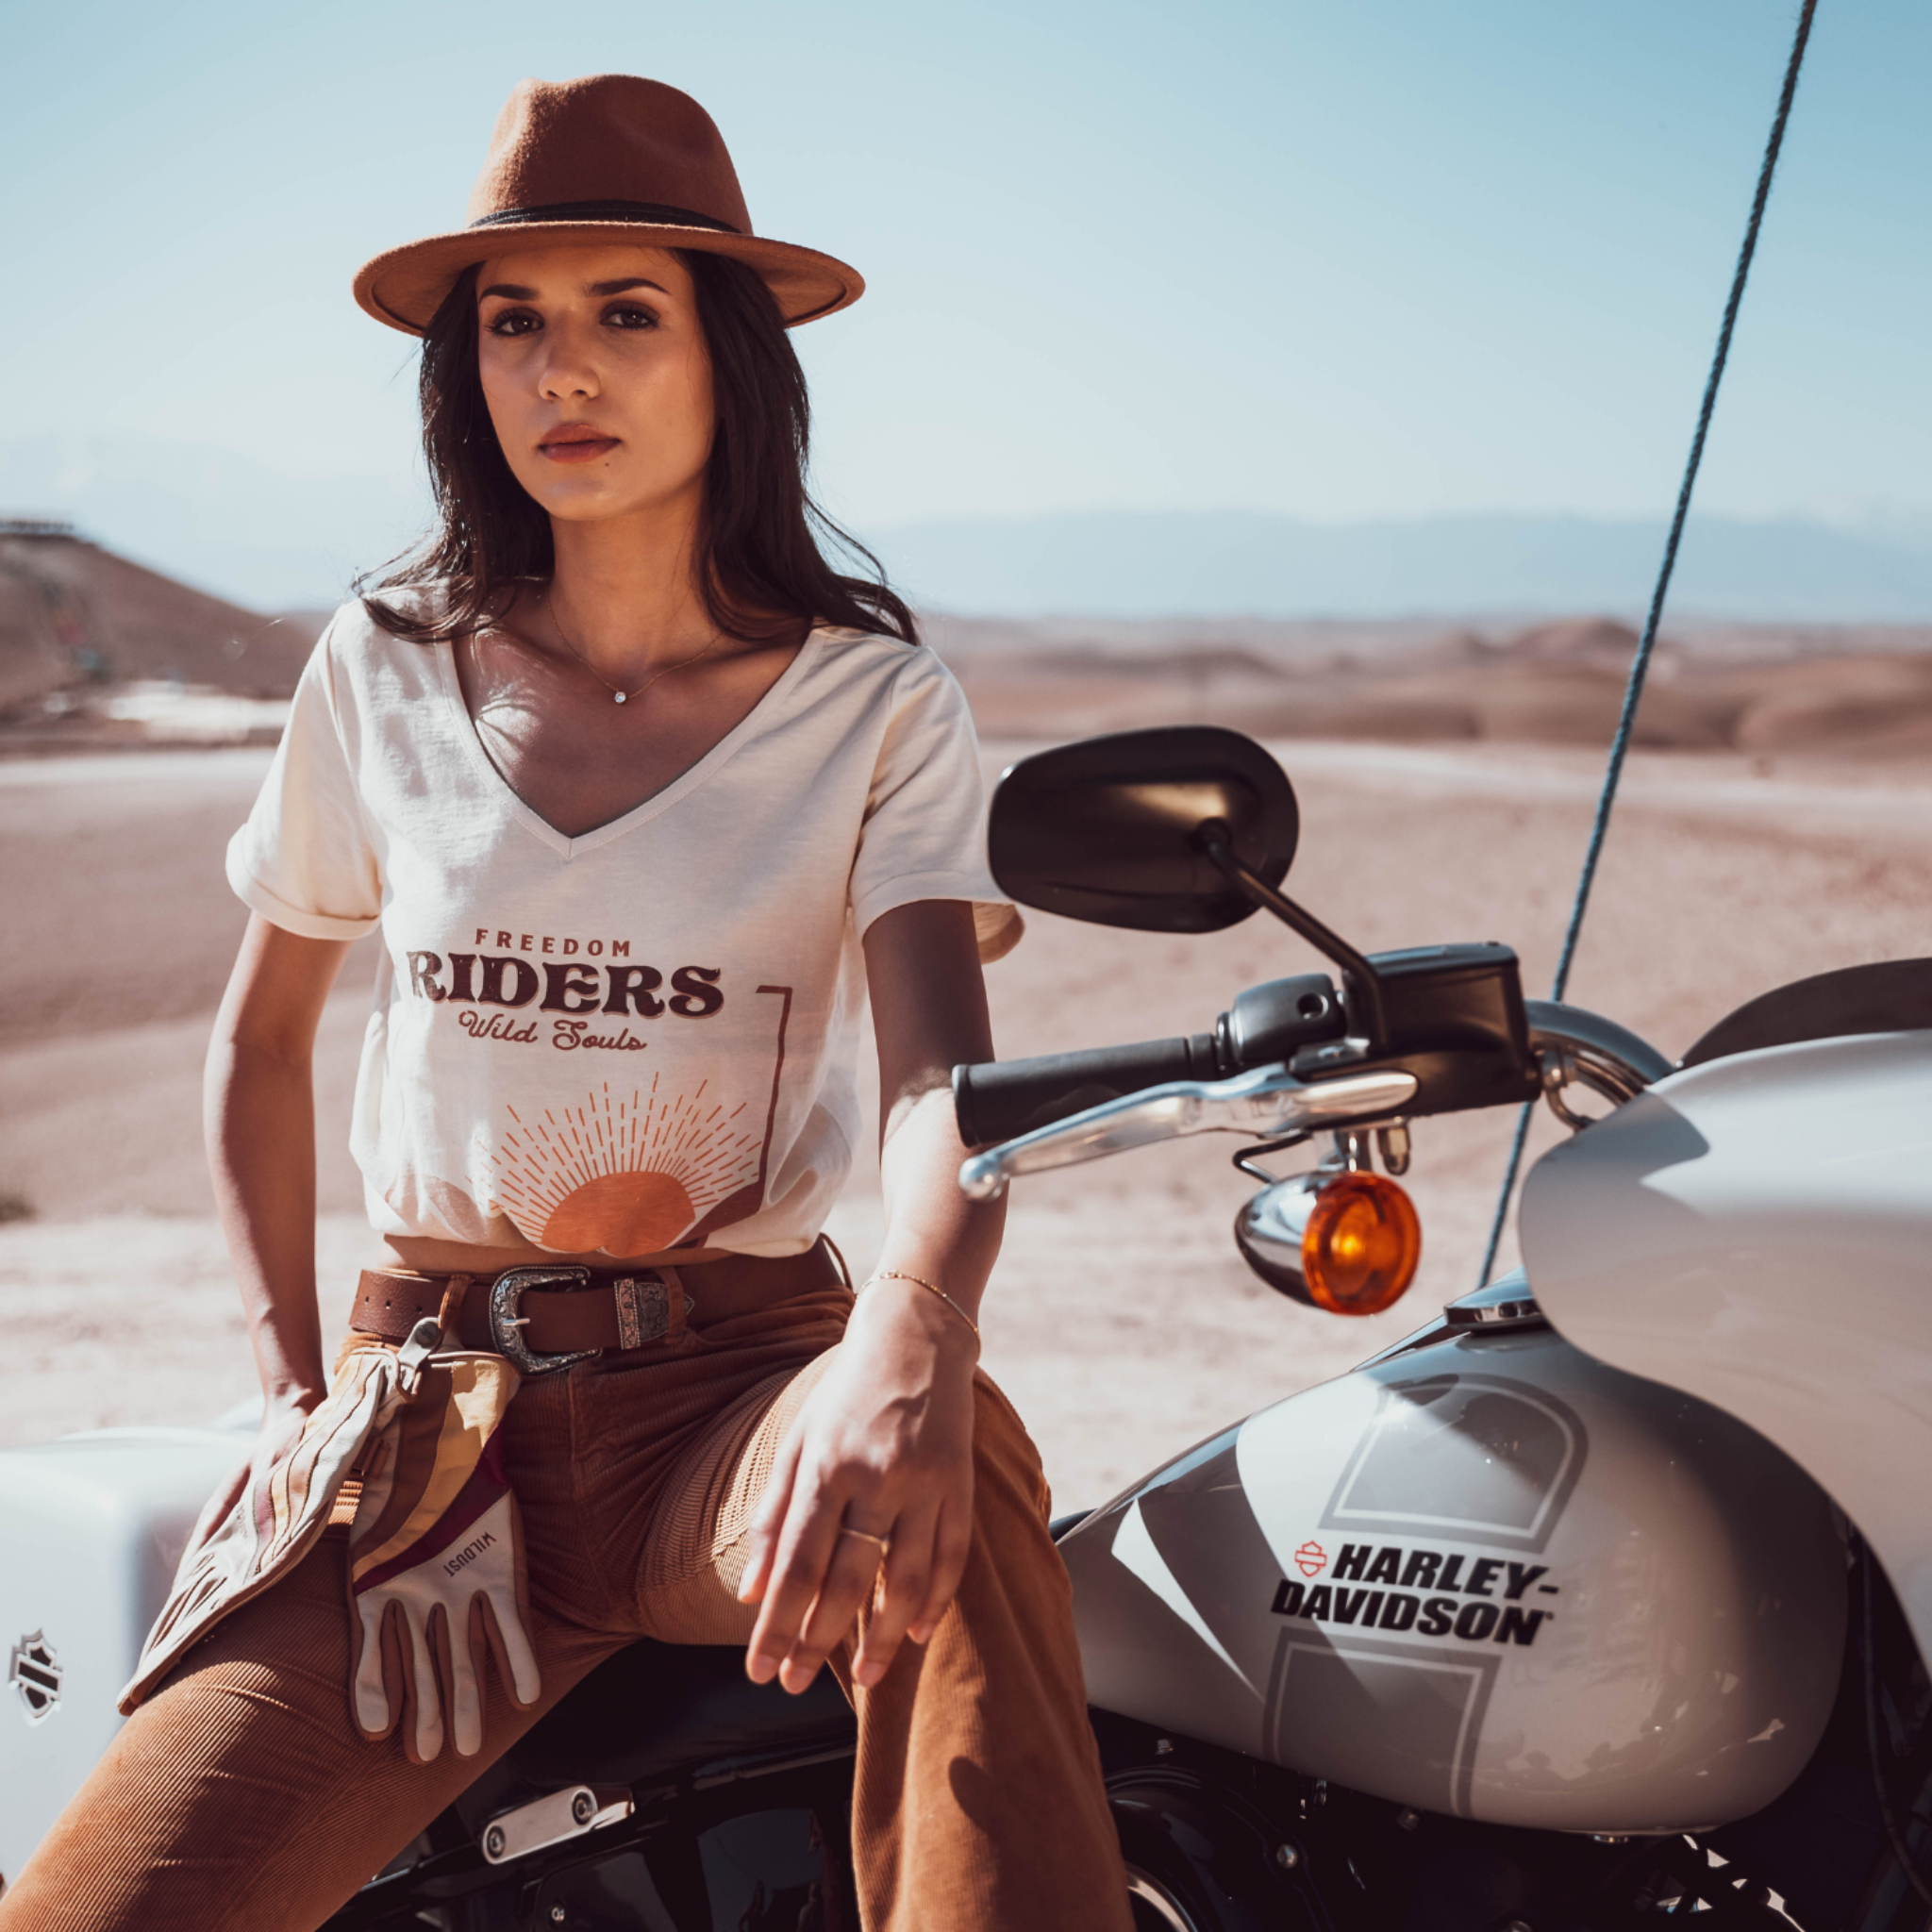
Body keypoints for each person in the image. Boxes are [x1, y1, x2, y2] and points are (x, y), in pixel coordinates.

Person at [0, 74, 1132, 1932]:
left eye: (625, 312)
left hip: (732, 1399)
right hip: (425, 1423)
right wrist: (298, 1400)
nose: (562, 371)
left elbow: (943, 1083)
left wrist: (912, 1333)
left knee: (950, 1461)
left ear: (729, 357)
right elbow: (261, 1037)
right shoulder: (381, 665)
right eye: (513, 323)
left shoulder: (872, 703)